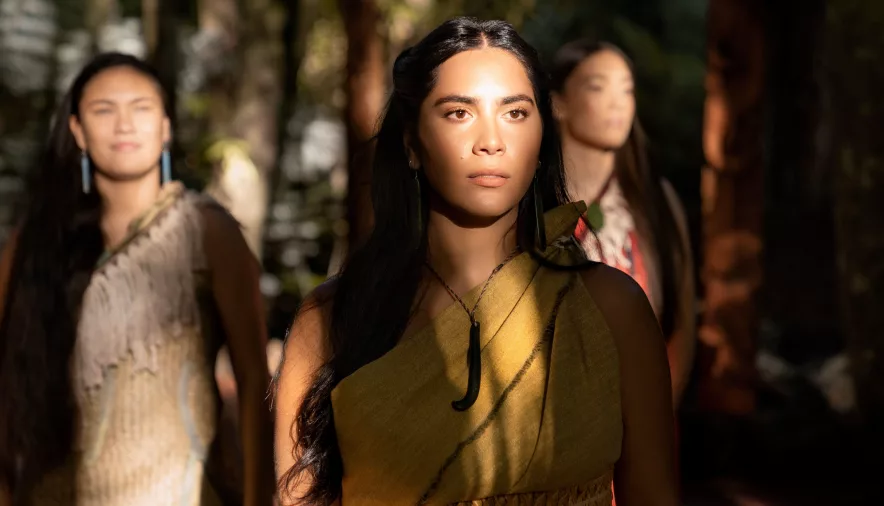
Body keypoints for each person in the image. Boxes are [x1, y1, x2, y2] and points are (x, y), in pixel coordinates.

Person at [274, 17, 677, 506]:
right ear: (411, 144)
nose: (491, 141)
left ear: (542, 139)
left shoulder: (610, 309)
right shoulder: (333, 318)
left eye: (515, 114)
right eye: (459, 113)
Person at [0, 53, 273, 505]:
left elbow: (252, 380)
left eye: (141, 108)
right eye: (104, 110)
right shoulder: (38, 242)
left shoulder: (204, 229)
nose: (124, 124)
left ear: (165, 127)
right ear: (77, 131)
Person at [550, 40, 696, 406]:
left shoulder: (656, 203)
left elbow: (681, 327)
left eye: (627, 89)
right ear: (558, 102)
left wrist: (657, 419)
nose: (618, 103)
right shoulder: (529, 202)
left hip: (645, 416)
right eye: (598, 87)